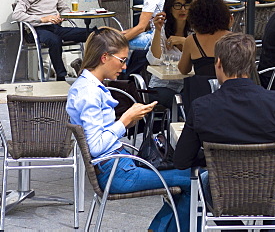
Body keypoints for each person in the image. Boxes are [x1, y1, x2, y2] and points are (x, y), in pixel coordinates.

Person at [67, 29, 190, 232]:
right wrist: (124, 120)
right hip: (116, 172)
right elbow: (95, 147)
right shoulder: (89, 93)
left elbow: (99, 135)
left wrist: (129, 122)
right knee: (196, 179)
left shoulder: (87, 86)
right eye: (122, 60)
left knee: (186, 177)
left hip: (118, 165)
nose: (124, 67)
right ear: (104, 57)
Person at [174, 32, 275, 209]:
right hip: (272, 192)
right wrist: (273, 160)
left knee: (203, 182)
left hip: (222, 193)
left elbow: (182, 160)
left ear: (219, 63)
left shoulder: (202, 107)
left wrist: (210, 156)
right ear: (251, 65)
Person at [12, 0, 91, 81]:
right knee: (55, 40)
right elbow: (17, 14)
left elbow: (64, 8)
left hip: (56, 27)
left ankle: (88, 69)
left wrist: (63, 15)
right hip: (37, 30)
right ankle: (61, 76)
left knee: (92, 33)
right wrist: (42, 19)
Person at [147, 0, 192, 108]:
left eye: (186, 5)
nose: (183, 9)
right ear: (170, 8)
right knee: (180, 101)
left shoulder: (194, 32)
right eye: (178, 5)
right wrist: (157, 30)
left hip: (187, 85)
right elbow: (155, 61)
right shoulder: (162, 30)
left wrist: (184, 41)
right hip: (162, 86)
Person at [177, 0, 232, 77]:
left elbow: (183, 69)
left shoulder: (192, 40)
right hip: (228, 87)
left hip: (203, 88)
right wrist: (228, 27)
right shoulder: (233, 39)